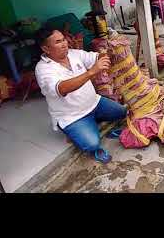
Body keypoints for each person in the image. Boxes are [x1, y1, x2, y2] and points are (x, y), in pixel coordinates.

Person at [34, 27, 127, 164]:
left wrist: (107, 52)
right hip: (72, 116)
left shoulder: (74, 54)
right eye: (58, 42)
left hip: (95, 103)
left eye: (64, 39)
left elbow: (95, 57)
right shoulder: (43, 69)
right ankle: (75, 129)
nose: (65, 43)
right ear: (46, 49)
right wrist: (91, 72)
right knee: (92, 144)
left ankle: (92, 122)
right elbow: (62, 88)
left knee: (122, 112)